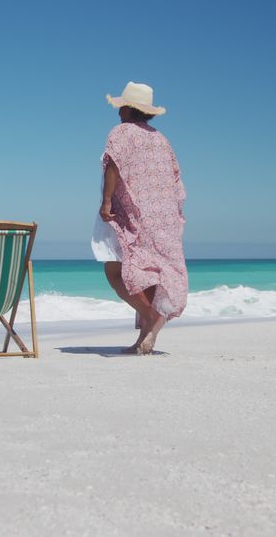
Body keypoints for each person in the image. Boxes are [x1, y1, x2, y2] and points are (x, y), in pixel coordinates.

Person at [91, 81, 187, 355]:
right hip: (162, 216)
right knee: (150, 272)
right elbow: (175, 179)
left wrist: (107, 200)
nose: (118, 111)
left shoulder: (121, 133)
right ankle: (147, 331)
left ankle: (149, 315)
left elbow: (113, 166)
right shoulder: (161, 139)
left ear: (128, 109)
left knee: (114, 269)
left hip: (129, 212)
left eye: (121, 106)